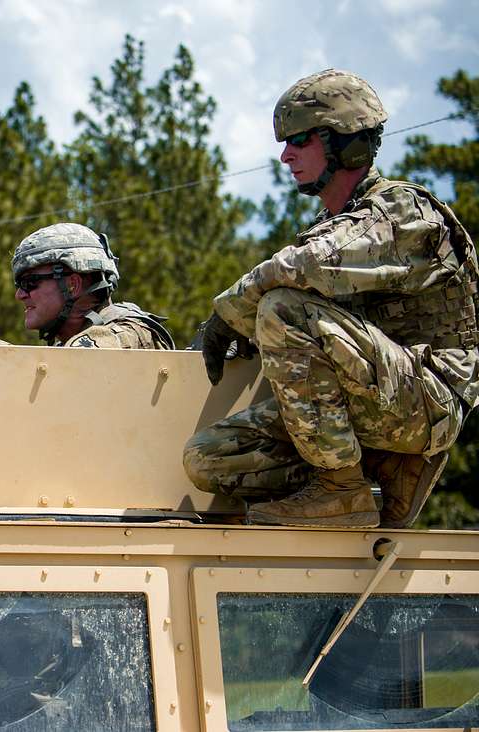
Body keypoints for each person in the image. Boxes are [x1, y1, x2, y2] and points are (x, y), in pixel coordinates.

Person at [183, 69, 478, 529]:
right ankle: (364, 474)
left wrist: (230, 311)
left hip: (427, 400)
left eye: (299, 140)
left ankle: (341, 492)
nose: (285, 156)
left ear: (347, 141)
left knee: (281, 307)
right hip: (365, 400)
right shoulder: (333, 223)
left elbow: (308, 265)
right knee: (208, 459)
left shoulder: (404, 212)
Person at [0, 223, 174, 350]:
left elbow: (55, 382)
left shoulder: (127, 334)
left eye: (29, 283)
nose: (19, 295)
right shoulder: (70, 346)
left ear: (73, 284)